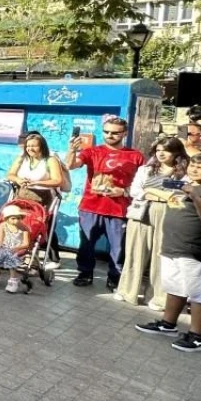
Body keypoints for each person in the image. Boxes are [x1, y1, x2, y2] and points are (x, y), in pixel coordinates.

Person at [135, 151, 201, 351]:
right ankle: (168, 324)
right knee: (175, 288)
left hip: (197, 251)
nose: (195, 169)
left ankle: (197, 336)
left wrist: (196, 198)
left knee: (200, 294)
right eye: (193, 165)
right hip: (173, 246)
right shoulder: (184, 184)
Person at [66, 117, 146, 290]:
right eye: (107, 132)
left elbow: (144, 184)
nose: (110, 135)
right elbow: (71, 165)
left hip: (119, 210)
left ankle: (115, 278)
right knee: (86, 245)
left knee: (118, 249)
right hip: (90, 207)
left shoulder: (136, 156)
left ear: (124, 133)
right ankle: (85, 273)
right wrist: (72, 150)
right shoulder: (92, 152)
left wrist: (124, 191)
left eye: (115, 132)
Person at [116, 137, 188, 308]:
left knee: (161, 255)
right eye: (158, 150)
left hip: (169, 215)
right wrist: (159, 195)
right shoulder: (145, 169)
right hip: (142, 212)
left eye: (166, 150)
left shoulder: (184, 173)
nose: (161, 153)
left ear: (177, 153)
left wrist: (152, 192)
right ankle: (127, 290)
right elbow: (135, 191)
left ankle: (158, 297)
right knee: (135, 252)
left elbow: (180, 198)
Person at [0, 205, 32, 293]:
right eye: (13, 218)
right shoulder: (3, 225)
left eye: (18, 218)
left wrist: (16, 248)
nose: (16, 220)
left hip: (18, 248)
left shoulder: (24, 228)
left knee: (11, 258)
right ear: (7, 218)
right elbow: (1, 239)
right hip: (5, 246)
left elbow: (26, 244)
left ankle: (13, 280)